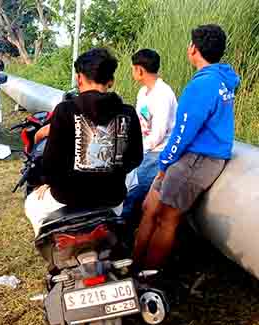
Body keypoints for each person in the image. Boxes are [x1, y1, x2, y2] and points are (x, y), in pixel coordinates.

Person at [133, 24, 240, 270]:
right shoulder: (221, 79)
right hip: (193, 155)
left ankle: (147, 277)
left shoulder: (203, 85)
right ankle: (135, 265)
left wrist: (163, 165)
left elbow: (182, 133)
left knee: (167, 218)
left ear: (194, 49)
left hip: (197, 158)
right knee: (149, 207)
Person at [25, 48, 143, 234]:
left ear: (79, 79)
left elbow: (50, 163)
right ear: (110, 80)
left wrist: (45, 181)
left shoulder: (64, 110)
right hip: (112, 199)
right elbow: (135, 158)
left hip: (66, 198)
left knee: (31, 204)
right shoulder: (127, 113)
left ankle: (53, 248)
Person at [122, 49, 177, 228]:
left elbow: (158, 135)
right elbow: (140, 124)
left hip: (157, 152)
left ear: (140, 70)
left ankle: (123, 233)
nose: (132, 73)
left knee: (132, 191)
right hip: (145, 148)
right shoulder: (143, 93)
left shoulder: (163, 94)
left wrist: (136, 151)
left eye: (133, 69)